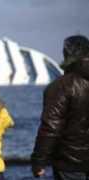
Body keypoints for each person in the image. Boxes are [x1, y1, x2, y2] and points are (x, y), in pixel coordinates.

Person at [31, 35, 89, 180]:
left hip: (71, 163)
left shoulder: (61, 87)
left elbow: (51, 127)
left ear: (66, 54)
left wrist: (39, 161)